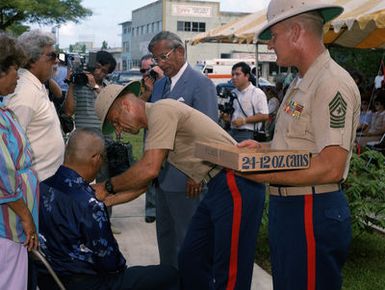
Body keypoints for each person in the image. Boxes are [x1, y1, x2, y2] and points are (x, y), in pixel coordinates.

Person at [93, 82, 266, 290]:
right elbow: (146, 182)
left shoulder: (161, 110)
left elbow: (149, 169)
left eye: (117, 122)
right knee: (191, 258)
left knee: (230, 268)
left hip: (235, 181)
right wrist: (107, 200)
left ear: (126, 106)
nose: (120, 131)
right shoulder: (156, 123)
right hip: (218, 184)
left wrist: (106, 187)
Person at [238, 1, 361, 289]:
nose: (270, 45)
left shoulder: (331, 84)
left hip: (311, 208)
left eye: (274, 35)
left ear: (295, 32)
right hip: (291, 207)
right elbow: (298, 144)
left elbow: (330, 166)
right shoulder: (301, 81)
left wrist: (258, 172)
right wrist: (263, 150)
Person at [38, 128, 179, 290]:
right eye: (103, 158)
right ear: (95, 158)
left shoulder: (42, 187)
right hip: (84, 283)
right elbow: (111, 262)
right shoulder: (89, 204)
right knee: (169, 274)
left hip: (49, 279)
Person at [147, 31, 218, 268]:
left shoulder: (201, 84)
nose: (160, 64)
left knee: (188, 241)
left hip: (187, 180)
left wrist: (196, 173)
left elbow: (209, 134)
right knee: (165, 239)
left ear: (180, 51)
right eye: (156, 59)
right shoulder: (159, 87)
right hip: (162, 176)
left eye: (163, 57)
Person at [64, 50, 121, 234]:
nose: (99, 73)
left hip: (104, 141)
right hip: (83, 143)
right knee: (78, 181)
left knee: (105, 182)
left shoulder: (107, 87)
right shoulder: (78, 85)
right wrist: (72, 85)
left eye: (104, 71)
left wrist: (95, 86)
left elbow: (112, 106)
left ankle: (105, 222)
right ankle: (77, 221)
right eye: (98, 68)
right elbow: (69, 111)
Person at [0, 32, 39, 290]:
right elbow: (3, 175)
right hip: (6, 226)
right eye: (15, 69)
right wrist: (26, 216)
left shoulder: (4, 109)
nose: (18, 76)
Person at [6, 29, 65, 182]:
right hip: (35, 186)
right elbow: (9, 149)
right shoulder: (25, 92)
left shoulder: (36, 86)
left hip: (46, 181)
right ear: (31, 59)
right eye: (51, 55)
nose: (57, 60)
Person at [139, 53, 164, 223]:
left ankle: (164, 207)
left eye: (150, 70)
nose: (147, 74)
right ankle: (151, 209)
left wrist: (161, 78)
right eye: (143, 70)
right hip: (150, 132)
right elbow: (138, 108)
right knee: (149, 171)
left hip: (166, 132)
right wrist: (147, 92)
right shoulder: (142, 85)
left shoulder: (167, 82)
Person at [229, 62, 269, 142]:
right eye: (232, 75)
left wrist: (244, 120)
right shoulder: (233, 92)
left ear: (247, 76)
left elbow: (264, 115)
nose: (234, 77)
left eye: (237, 74)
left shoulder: (257, 93)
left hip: (248, 134)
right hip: (231, 131)